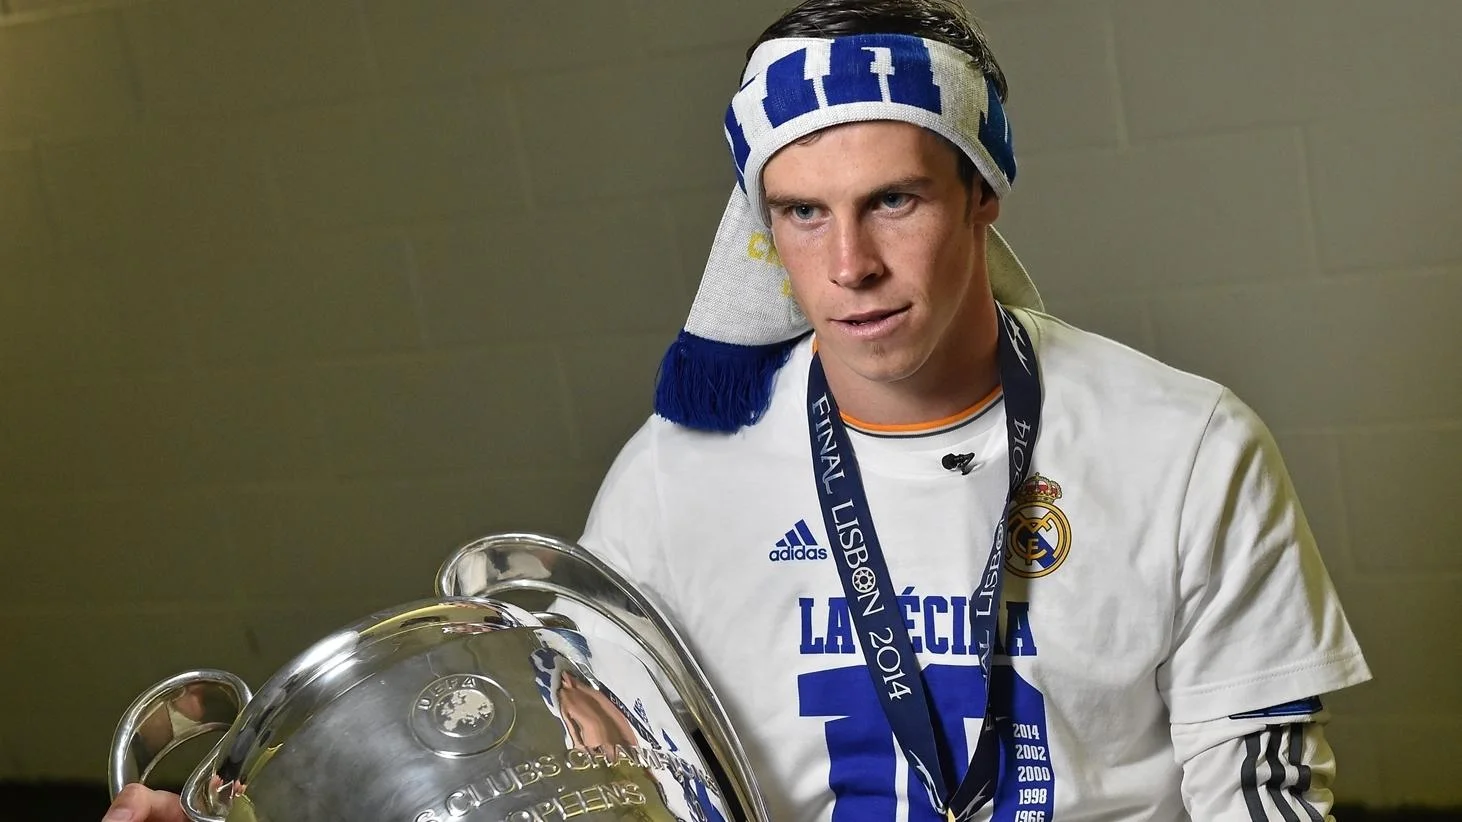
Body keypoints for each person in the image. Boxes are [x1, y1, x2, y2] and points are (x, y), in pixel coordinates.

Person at [104, 1, 1370, 820]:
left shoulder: (1184, 448)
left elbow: (1262, 797)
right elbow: (577, 781)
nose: (848, 265)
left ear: (983, 193)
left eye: (893, 201)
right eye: (802, 214)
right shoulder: (675, 472)